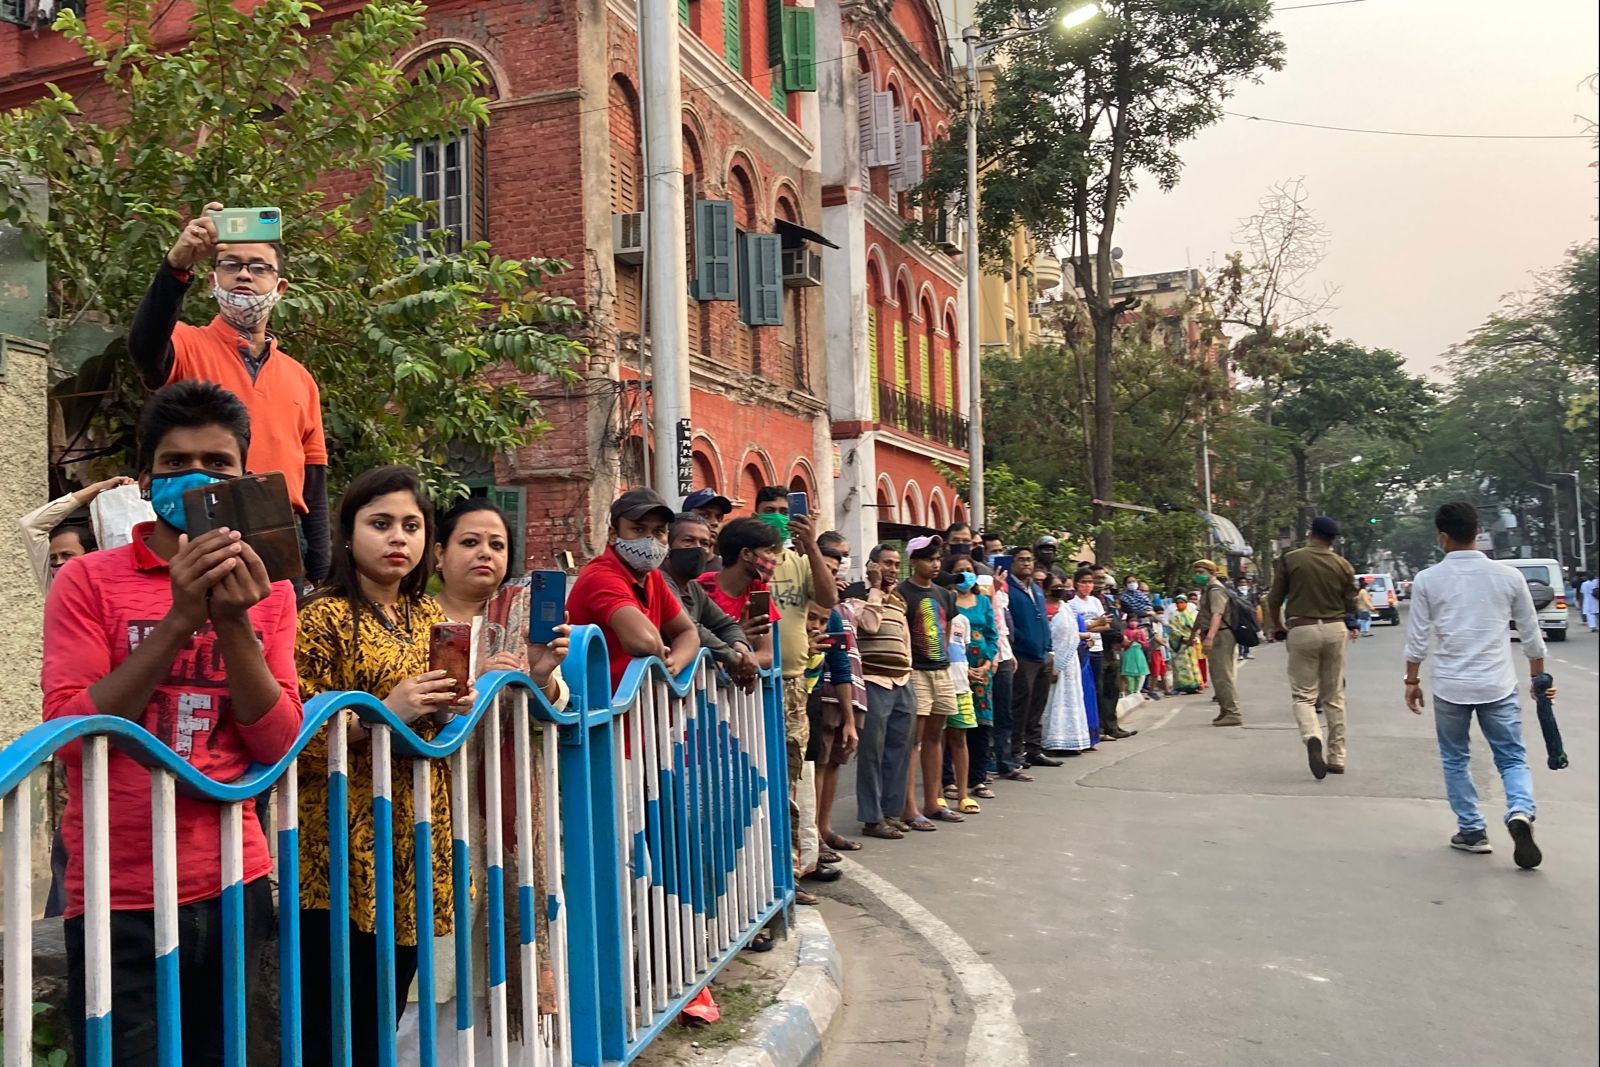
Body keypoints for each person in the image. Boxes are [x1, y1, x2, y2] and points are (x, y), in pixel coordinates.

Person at [45, 382, 300, 1066]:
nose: (196, 477)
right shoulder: (88, 581)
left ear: (245, 476)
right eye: (175, 461)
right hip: (114, 887)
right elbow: (70, 734)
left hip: (231, 880)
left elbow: (276, 743)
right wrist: (180, 619)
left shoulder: (269, 587)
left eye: (218, 462)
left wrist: (231, 622)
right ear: (147, 475)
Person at [293, 467, 463, 1065]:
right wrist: (380, 718)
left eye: (412, 526)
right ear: (346, 534)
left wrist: (449, 710)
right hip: (340, 841)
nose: (398, 538)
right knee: (333, 1012)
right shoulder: (320, 617)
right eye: (381, 523)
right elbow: (296, 733)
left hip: (413, 836)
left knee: (385, 1009)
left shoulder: (429, 618)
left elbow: (438, 726)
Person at [401, 496, 570, 1060]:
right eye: (470, 541)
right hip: (432, 805)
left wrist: (539, 674)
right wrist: (475, 682)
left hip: (509, 814)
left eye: (497, 544)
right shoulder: (409, 622)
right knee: (437, 952)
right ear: (440, 553)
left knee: (503, 943)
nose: (485, 553)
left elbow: (554, 708)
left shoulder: (519, 625)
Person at [129, 201, 330, 583]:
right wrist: (177, 266)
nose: (244, 276)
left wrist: (322, 575)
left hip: (282, 534)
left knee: (277, 640)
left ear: (280, 286)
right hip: (198, 525)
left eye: (259, 268)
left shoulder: (300, 377)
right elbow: (145, 347)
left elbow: (314, 483)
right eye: (230, 265)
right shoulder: (186, 342)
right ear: (212, 280)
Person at [1404, 502, 1549, 868]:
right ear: (1477, 531)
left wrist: (1411, 680)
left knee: (1455, 758)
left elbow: (1418, 639)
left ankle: (1472, 830)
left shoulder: (1427, 580)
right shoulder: (1509, 577)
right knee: (1512, 757)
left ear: (1442, 537)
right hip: (1497, 684)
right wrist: (1538, 678)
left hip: (1451, 686)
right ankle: (1519, 810)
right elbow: (1531, 634)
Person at [753, 487, 838, 874]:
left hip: (791, 683)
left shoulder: (800, 561)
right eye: (769, 510)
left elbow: (828, 597)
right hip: (748, 681)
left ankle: (787, 871)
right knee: (752, 777)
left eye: (784, 511)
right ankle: (757, 870)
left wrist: (812, 547)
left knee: (788, 780)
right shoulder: (745, 561)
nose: (777, 516)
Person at [569, 488, 701, 688]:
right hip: (601, 709)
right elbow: (643, 642)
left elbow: (687, 632)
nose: (650, 541)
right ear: (613, 535)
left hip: (638, 710)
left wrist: (673, 664)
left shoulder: (652, 577)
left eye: (659, 531)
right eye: (638, 529)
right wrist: (659, 655)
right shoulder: (601, 576)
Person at [1265, 515, 1359, 780]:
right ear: (1333, 539)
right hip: (1335, 629)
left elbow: (1274, 597)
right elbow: (1351, 603)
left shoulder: (1291, 559)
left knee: (1304, 695)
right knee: (1334, 696)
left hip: (1302, 628)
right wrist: (1351, 624)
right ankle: (1337, 757)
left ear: (1311, 533)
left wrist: (1277, 625)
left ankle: (1312, 736)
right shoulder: (1343, 565)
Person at [853, 544, 917, 839]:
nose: (892, 569)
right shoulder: (856, 593)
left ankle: (891, 812)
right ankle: (872, 818)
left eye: (895, 564)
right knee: (872, 753)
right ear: (872, 566)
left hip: (901, 682)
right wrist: (875, 590)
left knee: (899, 751)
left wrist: (908, 670)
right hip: (873, 681)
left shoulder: (900, 600)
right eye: (887, 563)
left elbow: (904, 638)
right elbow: (869, 624)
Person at [898, 535, 962, 827]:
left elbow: (946, 631)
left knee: (937, 735)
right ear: (913, 562)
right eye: (928, 559)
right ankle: (909, 807)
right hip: (916, 671)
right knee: (916, 739)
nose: (935, 564)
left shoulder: (945, 595)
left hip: (942, 669)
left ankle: (933, 802)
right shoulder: (902, 593)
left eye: (937, 559)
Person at [812, 531, 866, 866]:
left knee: (832, 760)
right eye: (825, 568)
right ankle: (810, 838)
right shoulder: (797, 598)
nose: (832, 576)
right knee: (816, 763)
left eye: (836, 569)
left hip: (832, 690)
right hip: (812, 694)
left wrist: (849, 718)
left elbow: (841, 661)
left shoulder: (834, 607)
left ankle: (823, 827)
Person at [662, 512, 760, 687]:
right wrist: (733, 658)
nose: (699, 549)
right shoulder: (659, 581)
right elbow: (690, 627)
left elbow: (725, 624)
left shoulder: (692, 588)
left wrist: (741, 648)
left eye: (705, 543)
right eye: (688, 541)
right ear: (668, 545)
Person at [16, 475, 135, 590]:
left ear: (91, 554)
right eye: (53, 558)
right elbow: (30, 526)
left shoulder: (110, 587)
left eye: (67, 555)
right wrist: (97, 488)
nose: (59, 563)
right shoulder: (54, 588)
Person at [1004, 545, 1059, 770]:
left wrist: (1049, 650)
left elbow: (1044, 621)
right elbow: (1008, 623)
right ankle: (1016, 751)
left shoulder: (1036, 588)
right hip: (1023, 655)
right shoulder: (1007, 588)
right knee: (1020, 705)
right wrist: (1020, 643)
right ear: (1012, 562)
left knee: (1038, 704)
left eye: (1029, 559)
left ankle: (1034, 749)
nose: (1026, 563)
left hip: (1042, 655)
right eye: (1021, 559)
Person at [952, 565, 999, 799]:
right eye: (959, 570)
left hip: (982, 670)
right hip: (956, 667)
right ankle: (948, 781)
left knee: (981, 723)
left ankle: (978, 779)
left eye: (968, 569)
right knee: (953, 723)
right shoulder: (947, 599)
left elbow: (992, 634)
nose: (965, 574)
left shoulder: (983, 601)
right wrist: (964, 668)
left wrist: (987, 663)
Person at [1042, 576, 1094, 755]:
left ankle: (1072, 740)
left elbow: (1070, 633)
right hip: (1052, 659)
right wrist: (1054, 661)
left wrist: (1085, 636)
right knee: (1052, 699)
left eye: (1062, 586)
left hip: (1071, 661)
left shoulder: (1066, 608)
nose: (1060, 589)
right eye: (1056, 586)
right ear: (1047, 589)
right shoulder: (1042, 608)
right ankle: (1052, 741)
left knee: (1072, 698)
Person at [1192, 559, 1240, 726]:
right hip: (1213, 634)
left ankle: (1233, 712)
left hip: (1221, 635)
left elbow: (1217, 614)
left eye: (1201, 572)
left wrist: (1210, 637)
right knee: (1217, 675)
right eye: (1196, 573)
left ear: (1212, 572)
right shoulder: (1207, 590)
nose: (1198, 576)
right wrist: (1194, 633)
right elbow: (1202, 615)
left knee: (1223, 675)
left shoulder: (1216, 590)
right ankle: (1225, 710)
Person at [1167, 594, 1203, 694]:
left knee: (1192, 664)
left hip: (1190, 642)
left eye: (1182, 602)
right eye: (1178, 603)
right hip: (1180, 643)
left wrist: (1194, 637)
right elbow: (1173, 630)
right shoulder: (1174, 615)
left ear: (1186, 603)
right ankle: (1182, 686)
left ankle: (1194, 686)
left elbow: (1194, 627)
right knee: (1182, 666)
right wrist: (1183, 638)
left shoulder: (1188, 614)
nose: (1180, 604)